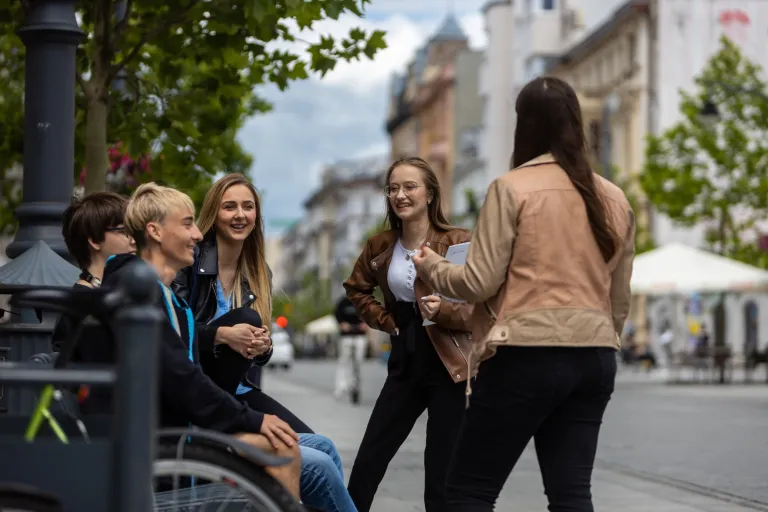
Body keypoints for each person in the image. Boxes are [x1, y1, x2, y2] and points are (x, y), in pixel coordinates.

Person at [413, 76, 635, 512]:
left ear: (525, 125)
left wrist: (431, 266)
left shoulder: (511, 188)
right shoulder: (613, 197)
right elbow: (619, 297)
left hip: (525, 354)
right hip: (593, 357)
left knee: (469, 491)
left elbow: (478, 283)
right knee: (571, 494)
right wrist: (602, 337)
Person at [171, 174, 356, 511]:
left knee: (325, 448)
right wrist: (222, 334)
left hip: (241, 388)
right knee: (247, 318)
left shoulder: (258, 270)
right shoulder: (191, 261)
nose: (240, 214)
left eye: (248, 207)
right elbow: (176, 329)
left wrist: (263, 347)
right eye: (229, 207)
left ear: (257, 215)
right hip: (206, 386)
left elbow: (255, 355)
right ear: (214, 213)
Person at [343, 157, 475, 512]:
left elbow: (481, 305)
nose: (400, 195)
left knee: (441, 473)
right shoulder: (380, 245)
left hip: (449, 363)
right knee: (370, 458)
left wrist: (443, 310)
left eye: (409, 187)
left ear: (430, 193)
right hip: (405, 357)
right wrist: (385, 319)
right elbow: (356, 289)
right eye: (393, 188)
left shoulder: (458, 241)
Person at [51, 192, 136, 352]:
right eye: (124, 231)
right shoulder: (79, 305)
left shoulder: (111, 295)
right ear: (95, 240)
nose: (134, 240)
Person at [333, 294, 367, 404]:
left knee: (358, 362)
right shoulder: (343, 302)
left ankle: (355, 386)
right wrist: (342, 324)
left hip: (359, 336)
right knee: (343, 361)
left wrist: (365, 323)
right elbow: (337, 315)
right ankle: (341, 386)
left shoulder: (362, 301)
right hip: (346, 337)